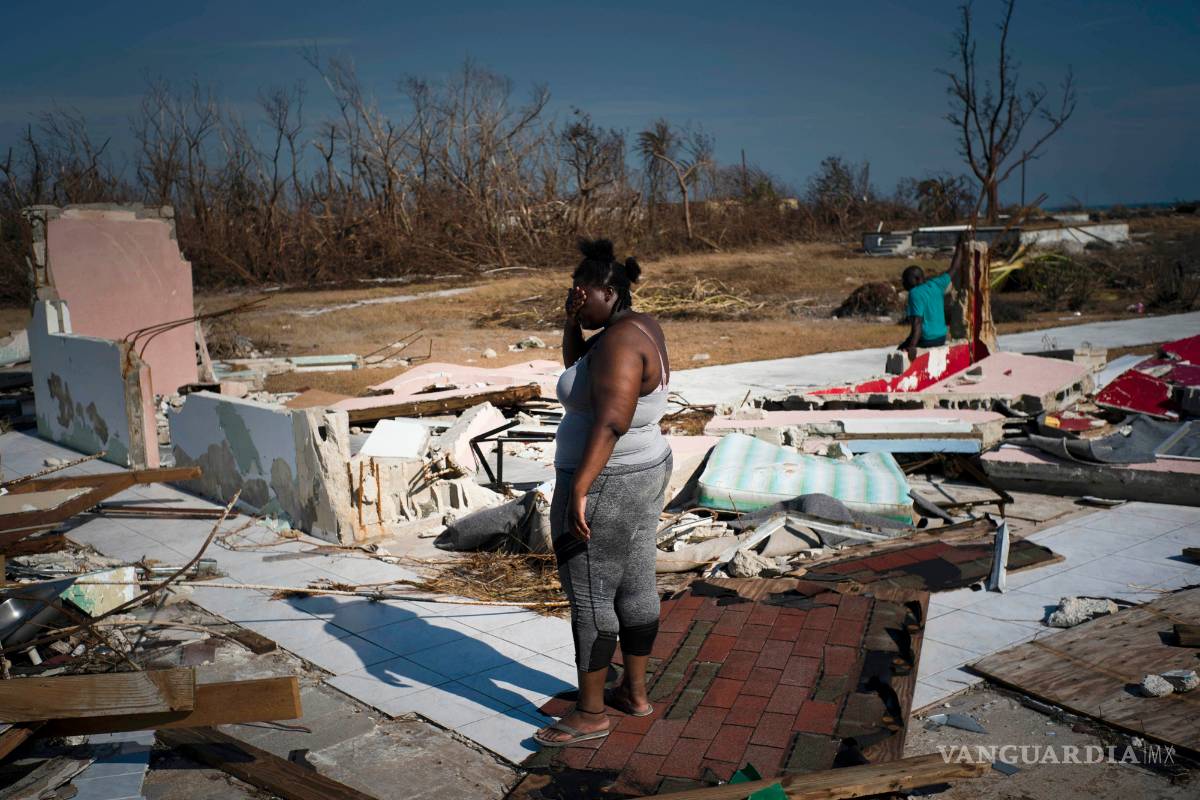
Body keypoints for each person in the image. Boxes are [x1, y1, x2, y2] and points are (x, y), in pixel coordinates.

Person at [534, 239, 673, 747]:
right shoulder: (633, 328)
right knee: (636, 581)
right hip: (643, 469)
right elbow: (581, 372)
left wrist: (579, 491)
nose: (575, 294)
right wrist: (571, 320)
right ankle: (633, 695)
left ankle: (590, 714)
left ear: (610, 293)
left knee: (591, 595)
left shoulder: (617, 343)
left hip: (608, 480)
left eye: (584, 290)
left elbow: (610, 421)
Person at [898, 254, 959, 361]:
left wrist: (912, 346)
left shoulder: (915, 293)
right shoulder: (936, 284)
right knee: (905, 343)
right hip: (941, 337)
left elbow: (917, 322)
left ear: (916, 279)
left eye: (905, 280)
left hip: (928, 339)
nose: (903, 283)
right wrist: (961, 244)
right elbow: (954, 268)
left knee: (899, 351)